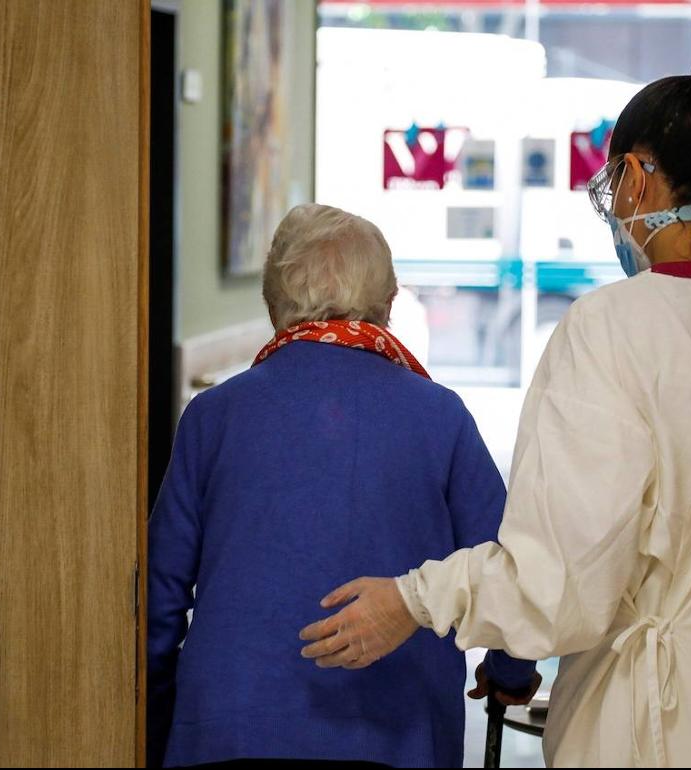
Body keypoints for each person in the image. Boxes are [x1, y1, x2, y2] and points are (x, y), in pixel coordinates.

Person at [299, 53, 691, 768]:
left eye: (611, 182)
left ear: (636, 175)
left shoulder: (612, 325)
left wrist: (414, 600)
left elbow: (561, 579)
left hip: (669, 724)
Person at [147, 203, 537, 767]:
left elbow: (160, 597)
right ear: (388, 303)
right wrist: (510, 675)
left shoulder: (213, 417)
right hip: (398, 735)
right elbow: (507, 567)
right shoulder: (440, 417)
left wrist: (157, 720)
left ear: (272, 301)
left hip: (228, 732)